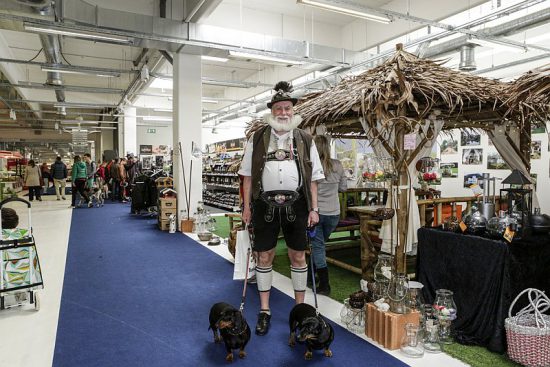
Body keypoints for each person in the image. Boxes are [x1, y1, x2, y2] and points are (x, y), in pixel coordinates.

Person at [238, 81, 324, 336]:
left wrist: (314, 209)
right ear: (272, 111)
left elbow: (313, 179)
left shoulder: (305, 139)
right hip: (264, 205)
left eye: (287, 108)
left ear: (293, 111)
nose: (283, 113)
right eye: (279, 109)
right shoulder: (258, 137)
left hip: (297, 206)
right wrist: (246, 208)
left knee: (298, 257)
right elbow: (247, 177)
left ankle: (299, 310)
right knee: (264, 257)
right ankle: (265, 310)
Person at [309, 135, 347, 296]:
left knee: (318, 247)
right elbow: (343, 188)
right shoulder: (337, 165)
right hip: (334, 213)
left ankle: (324, 284)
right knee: (319, 245)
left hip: (316, 213)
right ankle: (311, 277)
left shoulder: (310, 166)